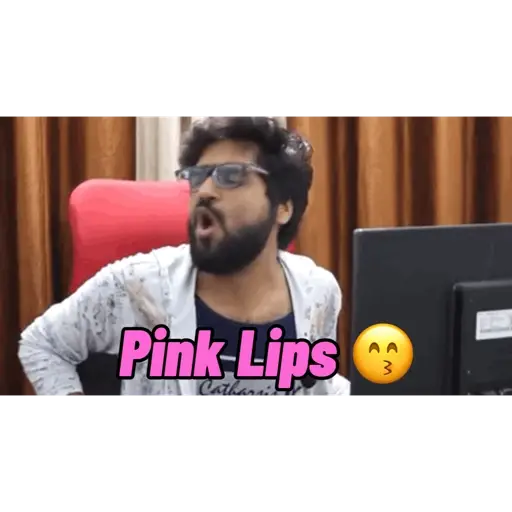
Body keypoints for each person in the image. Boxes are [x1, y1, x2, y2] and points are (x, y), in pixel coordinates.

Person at [18, 116, 351, 399]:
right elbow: (41, 343)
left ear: (283, 207)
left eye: (231, 176)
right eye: (196, 177)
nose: (203, 191)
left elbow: (319, 382)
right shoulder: (138, 287)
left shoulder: (319, 291)